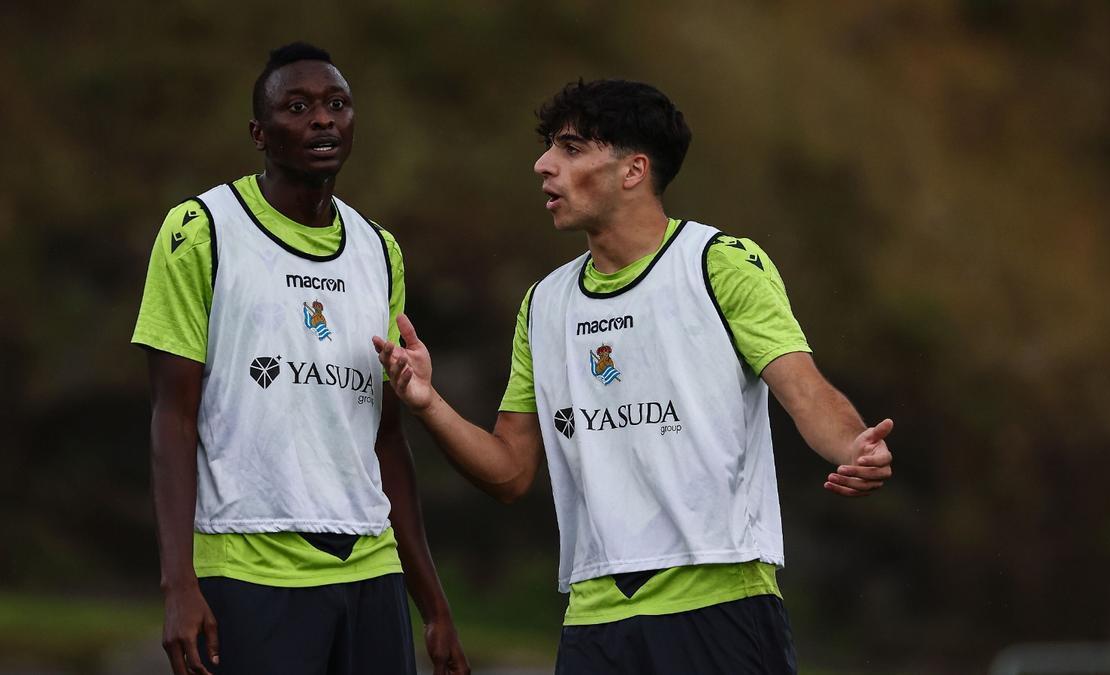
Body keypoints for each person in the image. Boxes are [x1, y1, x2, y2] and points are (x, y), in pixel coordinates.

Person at [372, 79, 894, 673]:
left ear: (632, 171)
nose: (543, 165)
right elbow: (510, 472)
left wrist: (854, 445)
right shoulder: (545, 304)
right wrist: (427, 403)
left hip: (720, 606)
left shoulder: (718, 264)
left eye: (569, 149)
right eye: (549, 149)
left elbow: (806, 392)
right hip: (594, 620)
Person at [133, 42, 469, 675]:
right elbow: (172, 418)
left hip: (370, 571)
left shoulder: (379, 249)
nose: (323, 119)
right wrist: (179, 585)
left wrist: (432, 603)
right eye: (298, 106)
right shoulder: (200, 230)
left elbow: (386, 438)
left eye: (336, 105)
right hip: (248, 569)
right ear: (260, 133)